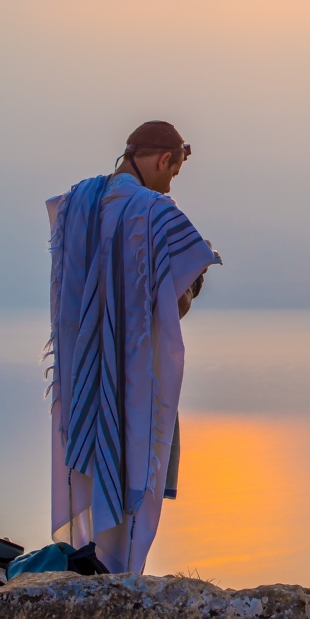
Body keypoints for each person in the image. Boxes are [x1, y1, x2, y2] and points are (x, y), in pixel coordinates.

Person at [45, 121, 219, 574]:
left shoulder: (77, 202)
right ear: (164, 161)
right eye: (174, 173)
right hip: (132, 376)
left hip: (82, 372)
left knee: (93, 460)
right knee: (133, 464)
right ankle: (120, 573)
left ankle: (89, 560)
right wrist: (194, 284)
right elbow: (167, 309)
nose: (169, 186)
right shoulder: (155, 213)